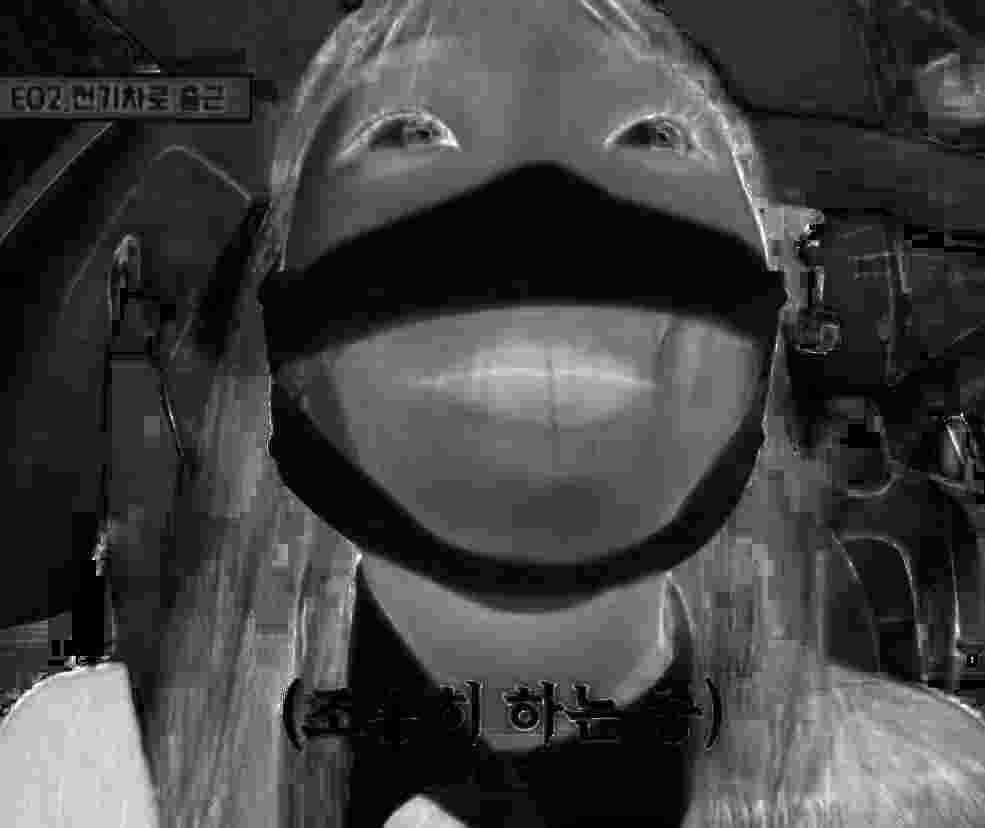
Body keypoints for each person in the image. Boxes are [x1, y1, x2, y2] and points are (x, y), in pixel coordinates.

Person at [125, 2, 985, 827]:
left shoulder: (940, 791)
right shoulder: (94, 785)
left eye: (652, 134)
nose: (545, 206)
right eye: (411, 131)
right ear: (281, 317)